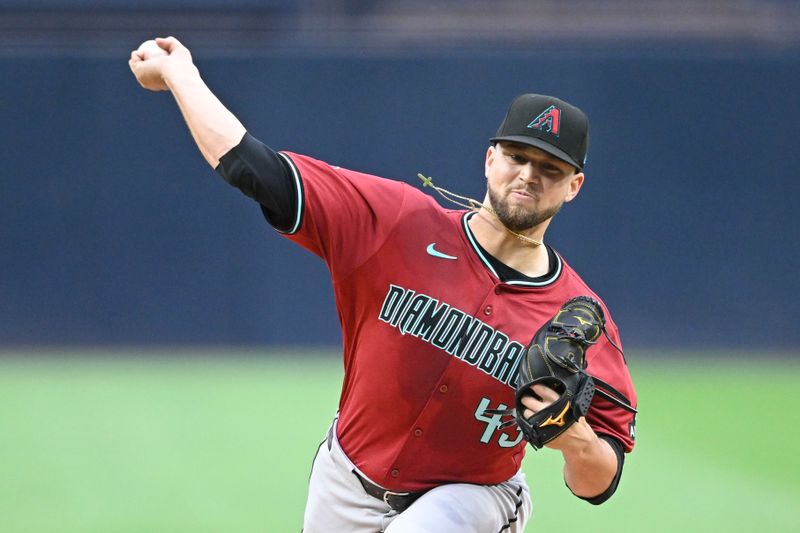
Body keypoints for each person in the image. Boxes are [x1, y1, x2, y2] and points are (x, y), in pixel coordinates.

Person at [129, 36, 637, 533]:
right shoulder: (397, 223)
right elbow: (253, 167)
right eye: (516, 156)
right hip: (344, 482)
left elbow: (600, 481)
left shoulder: (577, 315)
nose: (528, 175)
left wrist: (575, 438)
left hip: (473, 497)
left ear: (574, 186)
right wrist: (181, 74)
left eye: (550, 168)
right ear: (490, 159)